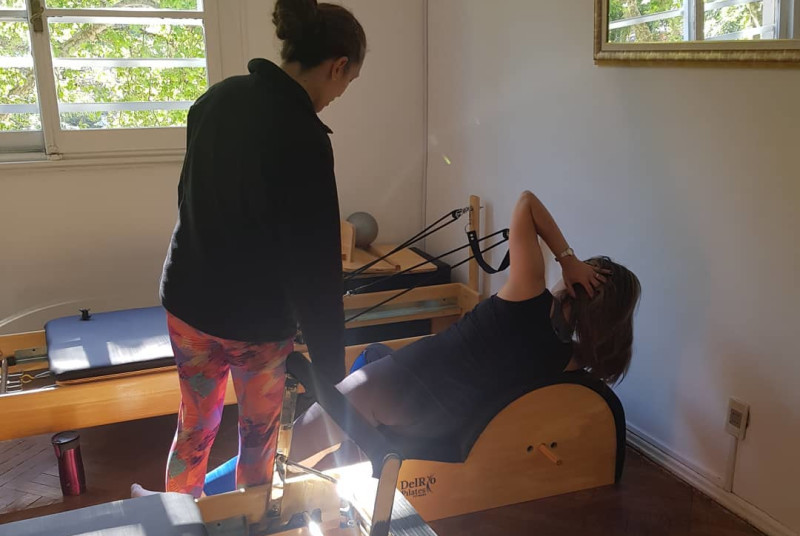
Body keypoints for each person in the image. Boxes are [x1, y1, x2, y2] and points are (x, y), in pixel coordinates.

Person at [203, 189, 642, 488]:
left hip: (398, 392)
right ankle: (341, 466)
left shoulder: (529, 296)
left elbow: (526, 202)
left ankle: (190, 504)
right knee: (372, 362)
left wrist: (566, 257)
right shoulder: (570, 361)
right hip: (441, 418)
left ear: (579, 282)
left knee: (282, 446)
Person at [152, 0, 367, 498]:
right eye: (348, 82)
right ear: (337, 66)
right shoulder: (306, 137)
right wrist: (330, 374)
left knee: (194, 425)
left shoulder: (216, 99)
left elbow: (187, 197)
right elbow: (315, 264)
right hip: (255, 327)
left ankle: (174, 520)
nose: (339, 95)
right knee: (257, 437)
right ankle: (248, 524)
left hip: (188, 304)